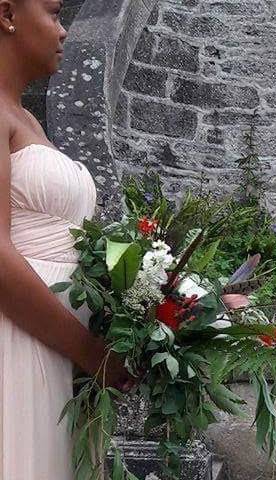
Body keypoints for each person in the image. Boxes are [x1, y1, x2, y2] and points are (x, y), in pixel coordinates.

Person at [0, 0, 135, 477]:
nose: (64, 31)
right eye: (55, 13)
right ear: (7, 14)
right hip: (21, 345)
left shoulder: (26, 120)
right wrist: (89, 353)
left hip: (61, 350)